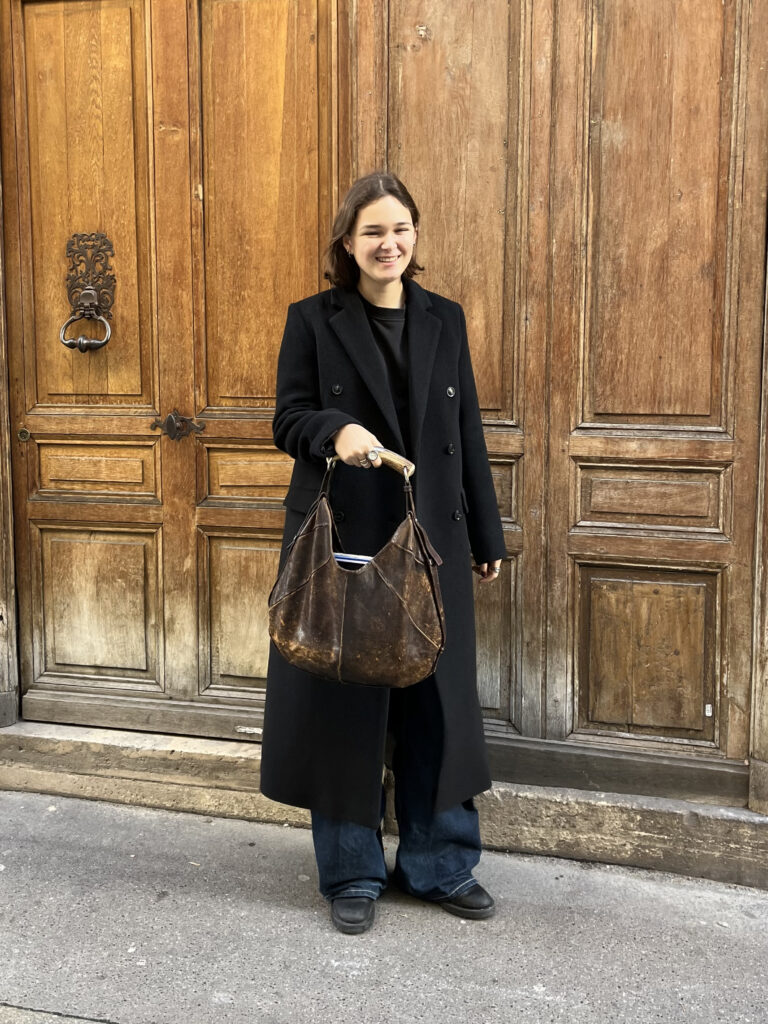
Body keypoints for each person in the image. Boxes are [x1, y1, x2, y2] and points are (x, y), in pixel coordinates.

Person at [260, 171, 505, 934]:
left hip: (433, 539)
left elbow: (465, 436)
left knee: (439, 708)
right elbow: (286, 417)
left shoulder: (445, 319)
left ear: (415, 236)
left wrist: (486, 537)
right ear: (347, 242)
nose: (388, 244)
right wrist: (336, 430)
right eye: (372, 231)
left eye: (400, 229)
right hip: (346, 546)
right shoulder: (313, 319)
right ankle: (351, 872)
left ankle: (440, 865)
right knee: (346, 708)